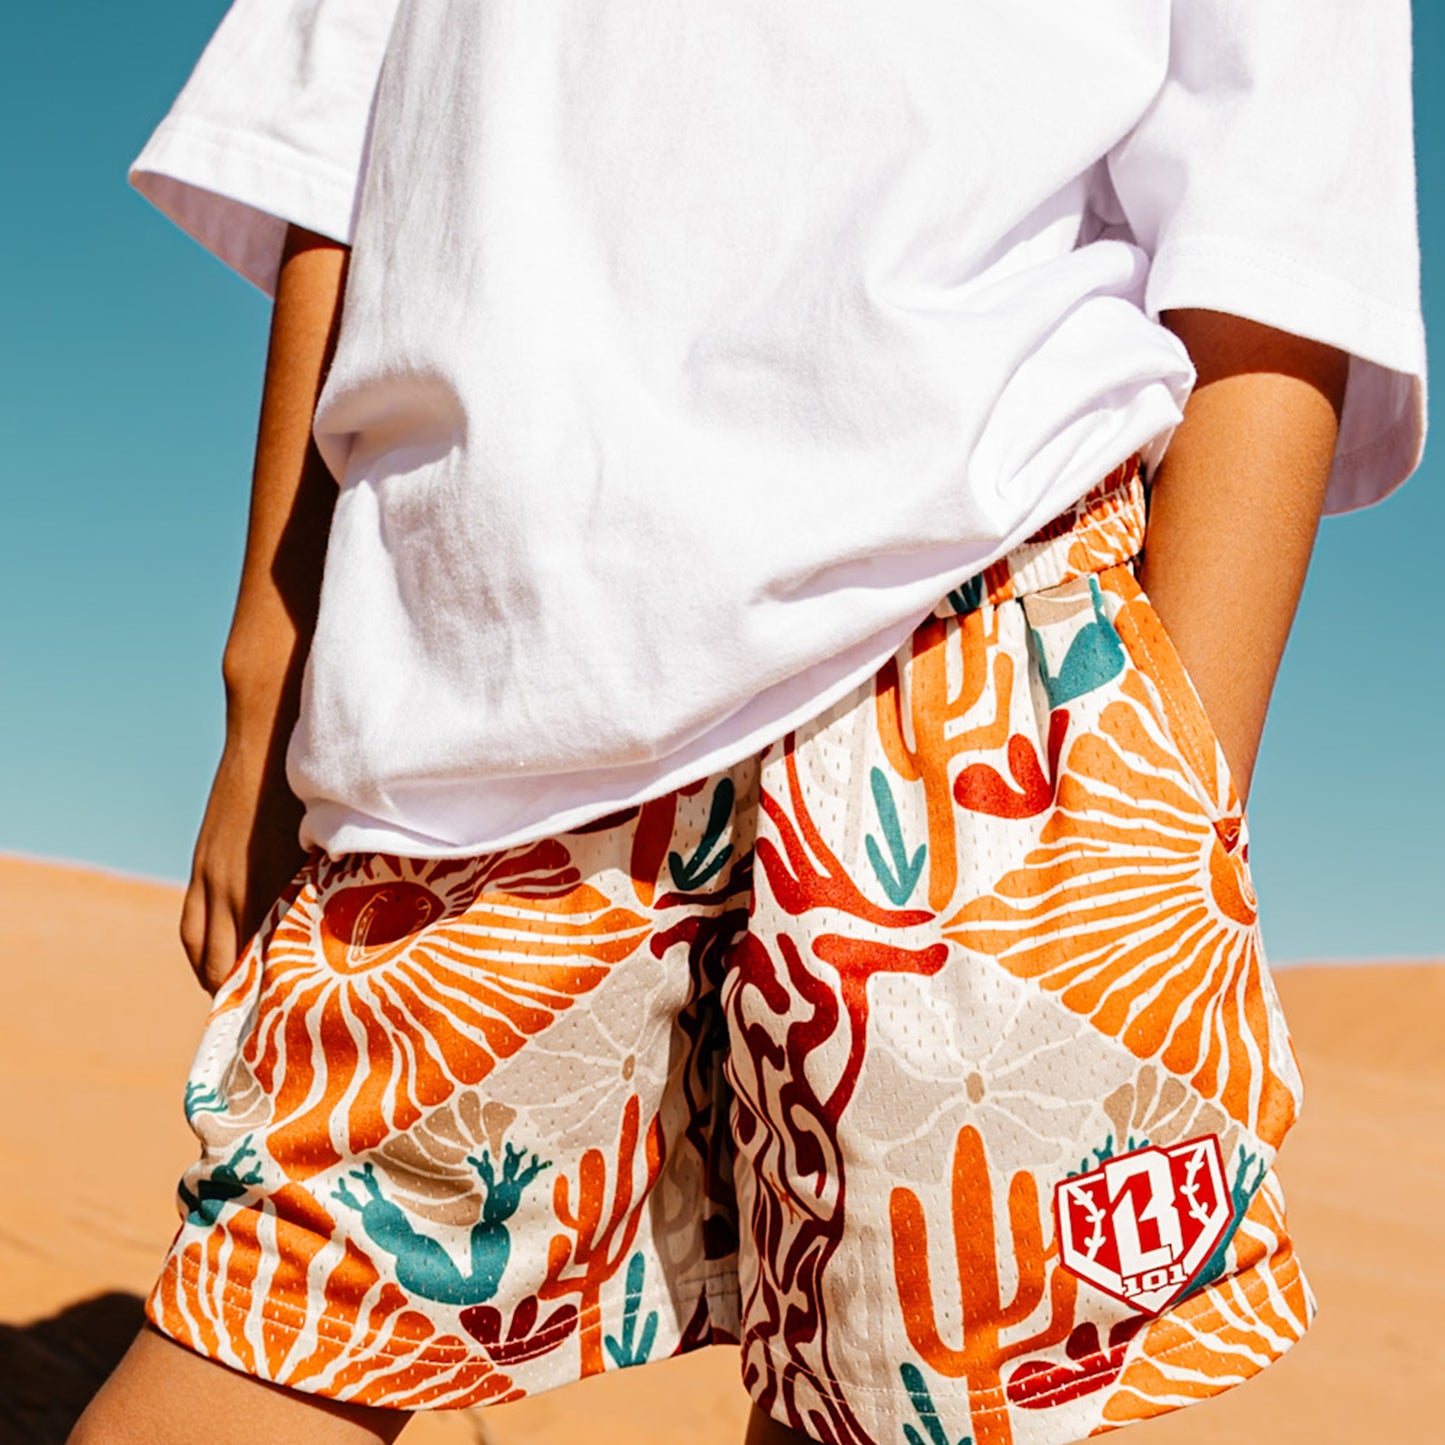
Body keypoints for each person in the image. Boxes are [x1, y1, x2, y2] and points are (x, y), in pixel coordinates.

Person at [73, 3, 1425, 1443]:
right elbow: (326, 127)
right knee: (270, 1322)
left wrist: (1159, 805)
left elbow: (1274, 232)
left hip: (975, 672)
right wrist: (266, 668)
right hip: (478, 675)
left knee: (884, 1412)